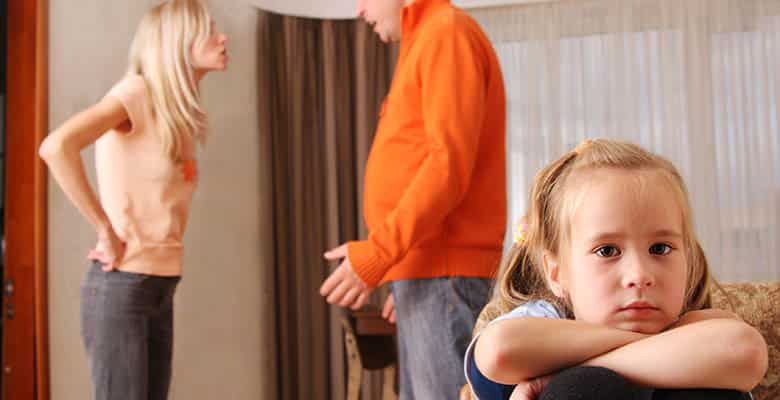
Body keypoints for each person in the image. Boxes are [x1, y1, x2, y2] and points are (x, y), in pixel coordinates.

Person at [464, 139, 768, 400]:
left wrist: (569, 370)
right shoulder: (541, 324)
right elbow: (499, 350)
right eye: (607, 251)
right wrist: (656, 346)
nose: (640, 275)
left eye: (660, 249)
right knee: (587, 386)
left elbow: (744, 349)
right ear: (556, 273)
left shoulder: (698, 327)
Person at [38, 1, 228, 398]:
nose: (223, 38)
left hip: (159, 285)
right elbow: (57, 147)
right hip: (122, 285)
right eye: (210, 31)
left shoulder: (176, 112)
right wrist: (104, 229)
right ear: (179, 41)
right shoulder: (136, 92)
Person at [318, 0, 507, 398]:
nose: (359, 11)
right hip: (429, 273)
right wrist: (401, 270)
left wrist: (378, 255)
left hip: (443, 274)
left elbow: (447, 166)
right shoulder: (427, 39)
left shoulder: (445, 33)